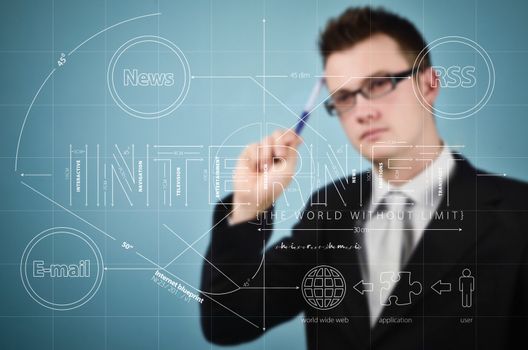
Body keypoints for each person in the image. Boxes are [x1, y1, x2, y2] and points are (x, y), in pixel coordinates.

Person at [200, 6, 528, 349]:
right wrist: (249, 206)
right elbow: (225, 321)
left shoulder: (518, 215)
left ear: (429, 85)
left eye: (379, 83)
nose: (362, 112)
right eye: (344, 97)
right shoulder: (330, 208)